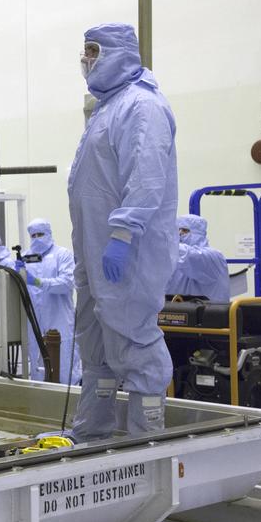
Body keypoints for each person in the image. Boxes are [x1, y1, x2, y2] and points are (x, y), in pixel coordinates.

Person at [68, 23, 178, 439]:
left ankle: (145, 436)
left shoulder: (141, 106)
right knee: (95, 338)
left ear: (119, 53)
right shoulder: (108, 108)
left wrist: (124, 234)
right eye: (85, 52)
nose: (87, 60)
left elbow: (146, 176)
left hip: (127, 251)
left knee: (133, 336)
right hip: (97, 248)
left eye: (94, 51)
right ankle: (93, 429)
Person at [23, 219, 80, 385]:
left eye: (40, 234)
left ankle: (68, 407)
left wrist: (39, 282)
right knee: (37, 367)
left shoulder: (63, 255)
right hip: (34, 323)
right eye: (33, 235)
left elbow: (67, 282)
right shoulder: (27, 257)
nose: (37, 238)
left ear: (49, 233)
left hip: (59, 320)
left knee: (64, 366)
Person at [167, 214, 231, 300]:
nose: (179, 234)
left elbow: (189, 256)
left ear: (199, 234)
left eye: (185, 230)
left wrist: (159, 241)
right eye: (177, 230)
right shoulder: (175, 260)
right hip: (179, 311)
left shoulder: (214, 258)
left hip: (211, 312)